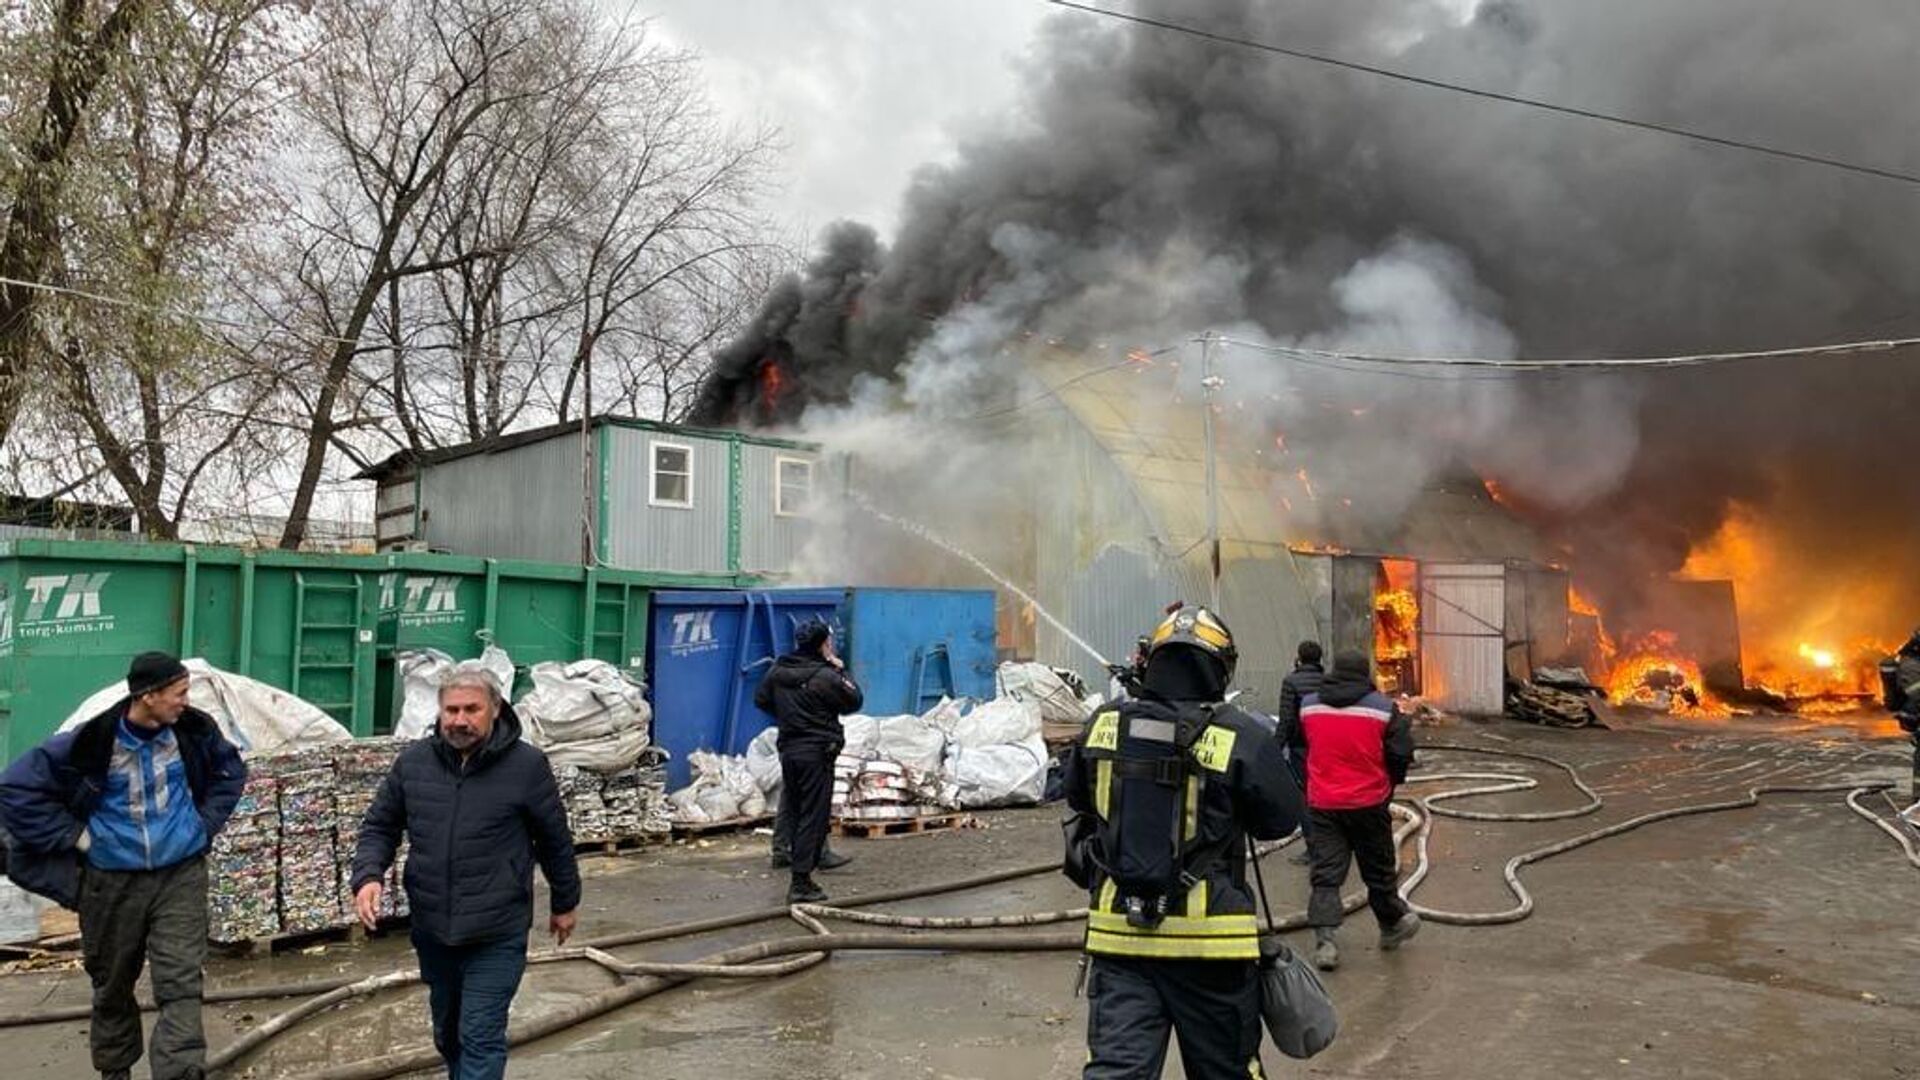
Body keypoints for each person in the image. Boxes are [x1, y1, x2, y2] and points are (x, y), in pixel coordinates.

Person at [1063, 605, 1304, 1079]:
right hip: (1214, 949)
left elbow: (1079, 801)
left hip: (1121, 940)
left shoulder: (1104, 725)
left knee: (1117, 1073)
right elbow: (1282, 820)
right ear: (1220, 666)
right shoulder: (1241, 735)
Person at [0, 651, 246, 1080]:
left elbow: (230, 772)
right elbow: (16, 788)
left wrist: (201, 827)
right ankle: (116, 1071)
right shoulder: (91, 742)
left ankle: (180, 1073)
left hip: (180, 875)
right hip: (112, 882)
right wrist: (75, 837)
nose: (185, 701)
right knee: (112, 985)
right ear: (148, 696)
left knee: (182, 983)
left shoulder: (193, 732)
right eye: (179, 693)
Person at [350, 668, 580, 1080]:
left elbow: (554, 839)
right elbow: (380, 826)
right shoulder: (414, 763)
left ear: (494, 709)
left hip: (497, 927)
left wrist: (565, 901)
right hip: (434, 927)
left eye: (471, 709)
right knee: (449, 1033)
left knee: (480, 1034)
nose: (460, 719)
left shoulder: (526, 766)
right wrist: (368, 875)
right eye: (451, 710)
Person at [1298, 650, 1420, 971]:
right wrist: (1390, 785)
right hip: (1368, 803)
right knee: (1378, 870)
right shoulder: (1382, 709)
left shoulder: (1309, 705)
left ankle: (1325, 942)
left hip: (1323, 803)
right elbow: (1401, 753)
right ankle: (1391, 925)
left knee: (1326, 873)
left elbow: (1302, 744)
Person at [755, 618, 863, 903]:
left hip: (790, 749)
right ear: (823, 644)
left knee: (793, 805)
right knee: (813, 816)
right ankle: (801, 881)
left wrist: (790, 716)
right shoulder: (826, 676)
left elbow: (762, 700)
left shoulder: (778, 671)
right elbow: (854, 701)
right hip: (817, 752)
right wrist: (842, 670)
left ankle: (785, 853)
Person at [1276, 640, 1325, 865]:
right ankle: (1333, 845)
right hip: (1325, 746)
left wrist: (1275, 747)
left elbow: (1286, 719)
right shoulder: (1329, 682)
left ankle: (1314, 849)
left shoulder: (1291, 682)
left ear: (1299, 657)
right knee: (1326, 795)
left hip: (1301, 747)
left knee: (1305, 797)